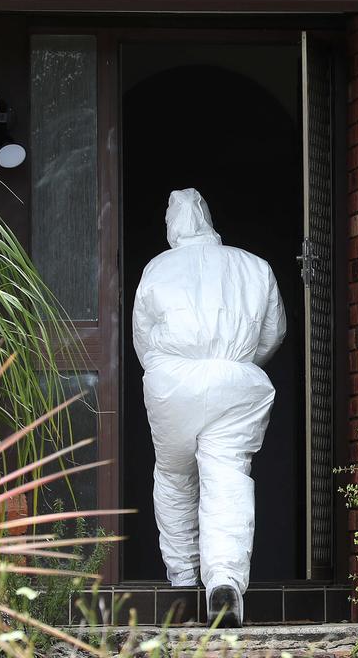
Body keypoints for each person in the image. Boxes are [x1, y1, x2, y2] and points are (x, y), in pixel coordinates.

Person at [132, 188, 287, 628]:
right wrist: (234, 364)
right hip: (236, 381)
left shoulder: (157, 268)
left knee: (175, 476)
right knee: (227, 475)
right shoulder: (255, 266)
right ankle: (224, 582)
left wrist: (171, 369)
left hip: (171, 384)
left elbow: (143, 339)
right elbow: (272, 335)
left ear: (172, 225)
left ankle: (182, 579)